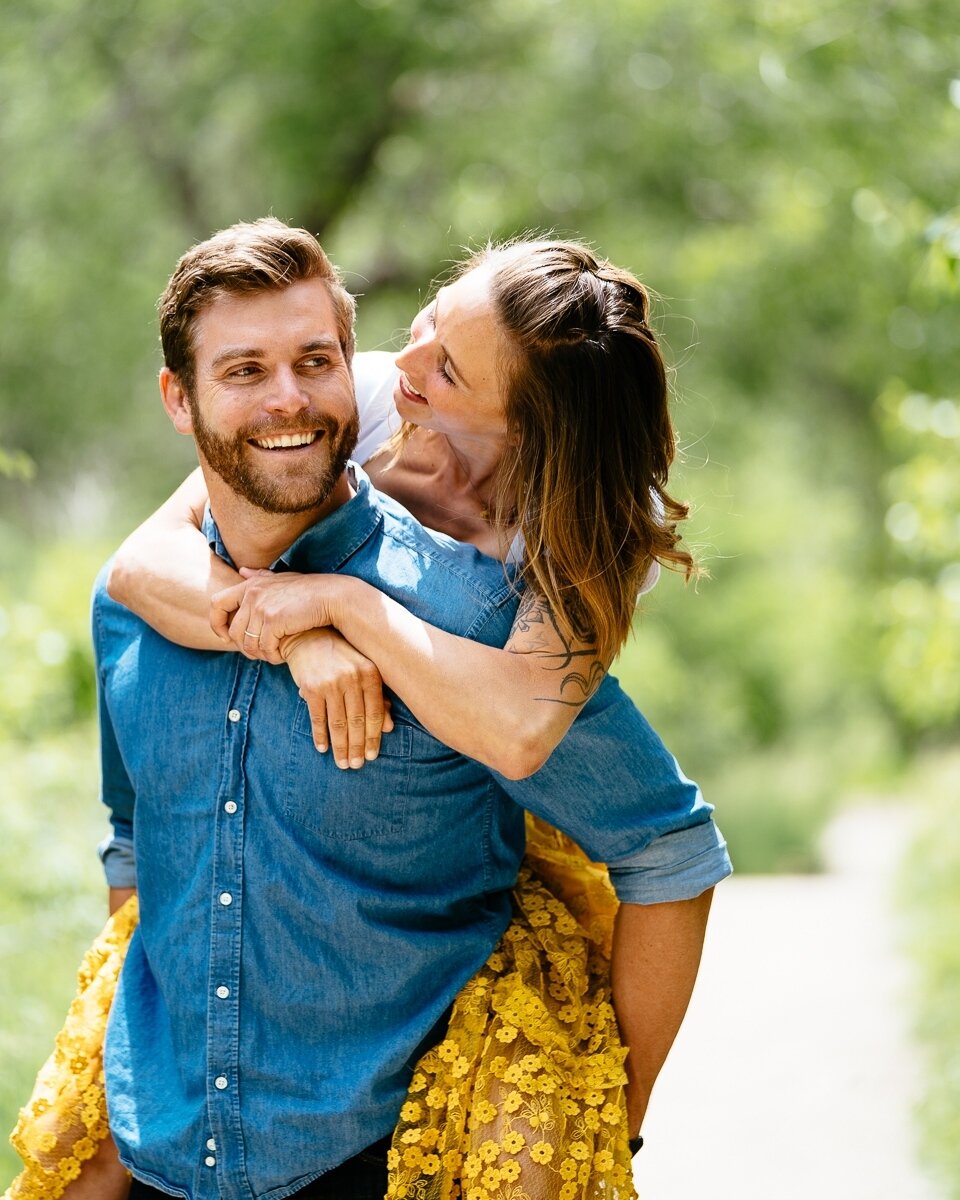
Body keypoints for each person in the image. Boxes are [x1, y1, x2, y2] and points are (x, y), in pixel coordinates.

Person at [5, 220, 729, 1200]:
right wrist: (292, 629)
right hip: (172, 1144)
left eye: (314, 362)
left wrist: (609, 1124)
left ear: (516, 425)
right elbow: (138, 823)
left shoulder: (511, 596)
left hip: (392, 1126)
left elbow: (605, 797)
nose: (291, 396)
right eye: (245, 371)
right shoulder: (150, 592)